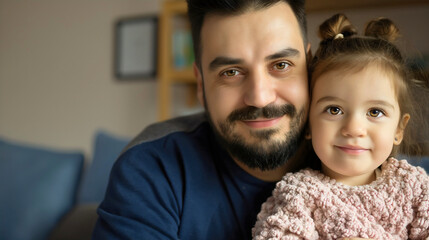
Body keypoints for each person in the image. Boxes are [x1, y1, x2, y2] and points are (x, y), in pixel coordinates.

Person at [92, 0, 311, 239]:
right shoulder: (154, 166)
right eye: (231, 72)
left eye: (281, 65)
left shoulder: (353, 146)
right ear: (200, 83)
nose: (259, 98)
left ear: (310, 66)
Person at [252, 14, 429, 239]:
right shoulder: (299, 193)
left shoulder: (415, 186)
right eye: (334, 110)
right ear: (308, 123)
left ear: (398, 130)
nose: (354, 128)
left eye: (375, 112)